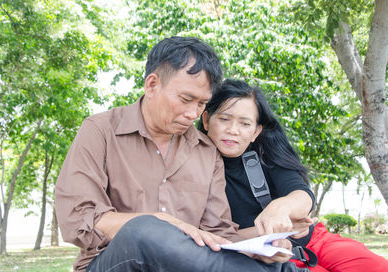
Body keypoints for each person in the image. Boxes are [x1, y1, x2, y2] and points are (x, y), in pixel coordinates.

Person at [55, 37, 308, 272]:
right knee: (143, 230)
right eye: (186, 99)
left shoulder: (207, 151)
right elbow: (78, 219)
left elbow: (219, 234)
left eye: (201, 104)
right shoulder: (101, 130)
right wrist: (160, 221)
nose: (193, 114)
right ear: (152, 84)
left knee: (276, 265)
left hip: (185, 264)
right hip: (116, 261)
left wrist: (263, 244)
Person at [198, 79, 388, 272]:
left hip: (314, 241)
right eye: (224, 119)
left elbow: (302, 195)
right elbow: (211, 235)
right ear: (206, 120)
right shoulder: (192, 166)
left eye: (245, 123)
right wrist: (273, 232)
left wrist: (280, 208)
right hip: (265, 257)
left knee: (376, 267)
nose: (233, 130)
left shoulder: (265, 153)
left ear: (256, 131)